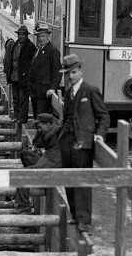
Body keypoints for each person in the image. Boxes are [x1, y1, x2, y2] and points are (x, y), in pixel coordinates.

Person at [58, 54, 109, 231]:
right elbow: (66, 118)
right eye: (68, 73)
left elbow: (104, 116)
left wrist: (99, 135)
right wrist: (60, 136)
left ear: (80, 71)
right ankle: (75, 215)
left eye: (73, 72)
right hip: (67, 141)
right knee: (69, 179)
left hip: (83, 143)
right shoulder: (68, 92)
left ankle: (84, 221)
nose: (70, 76)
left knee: (83, 180)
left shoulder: (90, 90)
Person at [14, 113, 62, 214]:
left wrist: (38, 167)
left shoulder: (56, 133)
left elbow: (54, 162)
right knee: (26, 155)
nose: (39, 130)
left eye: (40, 127)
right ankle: (24, 201)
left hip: (52, 169)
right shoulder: (48, 134)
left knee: (21, 175)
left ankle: (23, 208)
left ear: (48, 124)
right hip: (48, 164)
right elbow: (38, 143)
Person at [28, 24, 61, 118]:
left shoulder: (52, 50)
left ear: (48, 36)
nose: (40, 39)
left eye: (43, 36)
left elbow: (57, 71)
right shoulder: (39, 49)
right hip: (35, 91)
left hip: (44, 92)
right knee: (37, 117)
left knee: (42, 118)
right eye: (39, 36)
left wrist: (52, 88)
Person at [5, 25, 35, 124]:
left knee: (23, 99)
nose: (21, 36)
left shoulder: (30, 46)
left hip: (23, 77)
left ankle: (22, 118)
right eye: (19, 34)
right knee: (15, 98)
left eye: (23, 35)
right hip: (14, 76)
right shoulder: (15, 44)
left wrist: (29, 75)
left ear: (26, 36)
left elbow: (33, 63)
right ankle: (17, 116)